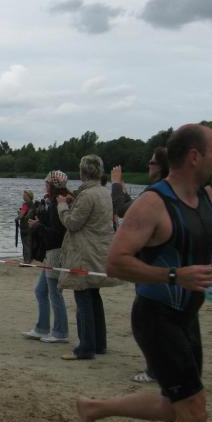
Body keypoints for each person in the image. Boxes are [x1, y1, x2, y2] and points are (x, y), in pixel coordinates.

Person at [78, 124, 212, 422]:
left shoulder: (204, 195)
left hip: (187, 316)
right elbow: (115, 263)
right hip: (156, 316)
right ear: (194, 156)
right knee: (193, 412)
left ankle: (94, 408)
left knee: (176, 406)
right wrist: (174, 275)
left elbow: (209, 234)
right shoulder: (153, 204)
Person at [112, 147, 169, 382]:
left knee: (147, 322)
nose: (148, 165)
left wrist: (116, 185)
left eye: (152, 162)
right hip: (165, 265)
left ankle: (154, 370)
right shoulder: (173, 191)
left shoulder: (157, 191)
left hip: (152, 265)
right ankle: (165, 367)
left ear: (162, 167)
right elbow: (133, 208)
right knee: (166, 321)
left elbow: (123, 210)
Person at [57, 154, 121, 361]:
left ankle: (85, 347)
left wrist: (62, 206)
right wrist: (72, 200)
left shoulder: (88, 194)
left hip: (85, 252)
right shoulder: (103, 192)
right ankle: (99, 343)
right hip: (99, 250)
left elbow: (73, 223)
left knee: (83, 296)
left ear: (83, 172)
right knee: (94, 296)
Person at [22, 172, 70, 343]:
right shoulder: (54, 203)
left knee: (55, 293)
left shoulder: (59, 204)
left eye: (47, 183)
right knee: (41, 291)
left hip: (56, 253)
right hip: (51, 253)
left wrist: (38, 226)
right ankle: (42, 328)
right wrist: (41, 218)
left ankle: (60, 332)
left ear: (52, 185)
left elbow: (57, 234)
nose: (45, 186)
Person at [16, 189, 34, 263]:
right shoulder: (32, 204)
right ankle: (29, 259)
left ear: (28, 196)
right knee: (29, 243)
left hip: (24, 226)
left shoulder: (25, 204)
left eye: (25, 195)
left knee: (25, 244)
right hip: (31, 225)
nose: (23, 196)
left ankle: (26, 261)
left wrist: (16, 218)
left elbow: (21, 215)